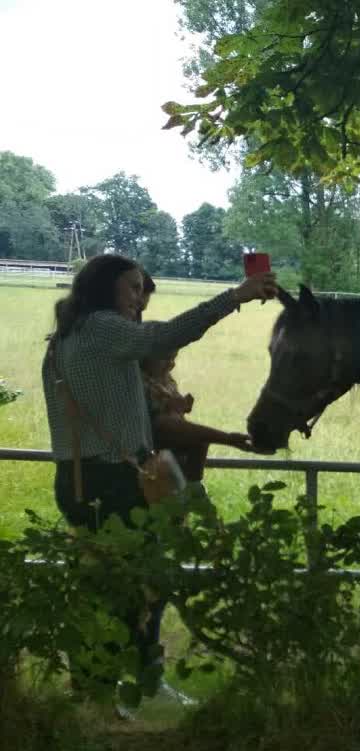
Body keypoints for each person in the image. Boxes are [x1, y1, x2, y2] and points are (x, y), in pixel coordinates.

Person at [40, 253, 276, 717]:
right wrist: (235, 297)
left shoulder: (70, 334)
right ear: (105, 289)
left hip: (81, 478)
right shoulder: (102, 328)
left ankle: (99, 689)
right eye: (131, 288)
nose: (138, 299)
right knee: (139, 586)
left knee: (105, 586)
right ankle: (135, 687)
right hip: (112, 480)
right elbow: (165, 336)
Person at [139, 274, 255, 485]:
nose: (171, 365)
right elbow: (162, 425)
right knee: (198, 439)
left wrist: (179, 407)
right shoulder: (142, 381)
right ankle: (192, 489)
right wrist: (227, 438)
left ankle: (192, 486)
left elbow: (171, 416)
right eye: (166, 359)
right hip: (156, 455)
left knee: (198, 442)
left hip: (171, 454)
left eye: (174, 359)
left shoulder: (164, 379)